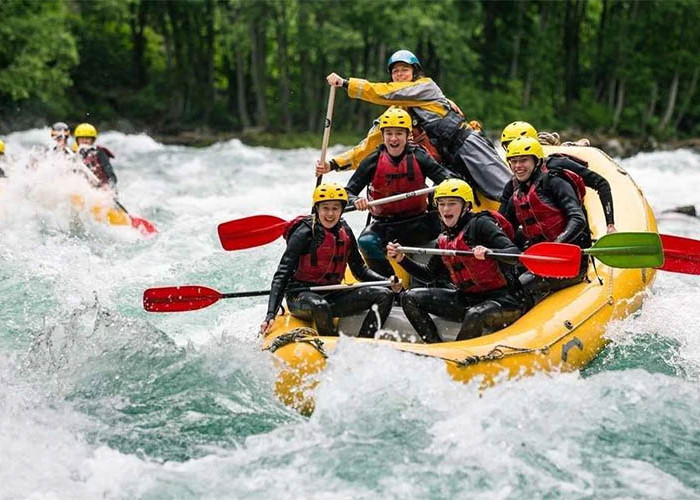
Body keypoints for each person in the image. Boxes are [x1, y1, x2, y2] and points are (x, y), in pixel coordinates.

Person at [319, 49, 512, 201]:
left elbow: (383, 93)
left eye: (405, 70)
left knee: (504, 188)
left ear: (415, 72)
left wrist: (346, 83)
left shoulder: (426, 86)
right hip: (447, 161)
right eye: (396, 71)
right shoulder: (396, 115)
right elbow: (369, 145)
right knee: (460, 199)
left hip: (466, 144)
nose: (400, 74)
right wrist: (334, 164)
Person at [386, 179, 526, 343]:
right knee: (410, 297)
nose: (446, 209)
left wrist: (491, 252)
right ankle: (435, 347)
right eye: (441, 204)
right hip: (466, 299)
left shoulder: (481, 224)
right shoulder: (444, 238)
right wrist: (402, 260)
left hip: (504, 300)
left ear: (466, 206)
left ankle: (458, 359)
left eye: (452, 203)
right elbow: (429, 275)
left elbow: (516, 255)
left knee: (475, 314)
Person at [260, 183, 402, 337]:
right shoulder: (304, 233)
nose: (330, 214)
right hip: (300, 295)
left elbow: (359, 269)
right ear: (317, 209)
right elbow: (282, 274)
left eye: (335, 208)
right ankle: (332, 346)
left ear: (342, 210)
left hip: (333, 294)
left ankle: (364, 342)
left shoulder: (345, 231)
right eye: (325, 208)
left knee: (384, 295)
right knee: (320, 306)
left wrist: (387, 281)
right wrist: (270, 314)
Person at [344, 106, 454, 277]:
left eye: (398, 133)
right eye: (389, 133)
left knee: (448, 235)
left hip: (420, 223)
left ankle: (436, 280)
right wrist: (355, 201)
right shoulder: (373, 160)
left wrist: (440, 195)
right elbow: (348, 192)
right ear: (383, 135)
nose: (393, 139)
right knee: (366, 241)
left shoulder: (419, 156)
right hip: (385, 225)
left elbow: (447, 181)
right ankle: (390, 285)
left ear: (408, 135)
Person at [500, 136, 591, 302]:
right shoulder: (517, 194)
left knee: (518, 286)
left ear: (536, 162)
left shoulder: (555, 182)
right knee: (504, 280)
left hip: (569, 261)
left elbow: (577, 219)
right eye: (513, 161)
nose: (518, 166)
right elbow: (505, 232)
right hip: (539, 260)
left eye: (523, 161)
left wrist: (556, 245)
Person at [500, 121, 616, 233]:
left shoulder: (557, 166)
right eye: (509, 146)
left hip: (572, 233)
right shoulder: (514, 184)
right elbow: (502, 221)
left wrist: (610, 225)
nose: (516, 149)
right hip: (541, 239)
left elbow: (601, 183)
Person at [73, 123, 117, 190]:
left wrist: (110, 186)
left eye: (87, 138)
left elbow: (109, 171)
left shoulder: (99, 152)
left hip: (101, 188)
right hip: (84, 188)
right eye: (82, 138)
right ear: (77, 140)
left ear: (93, 140)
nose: (84, 141)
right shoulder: (75, 154)